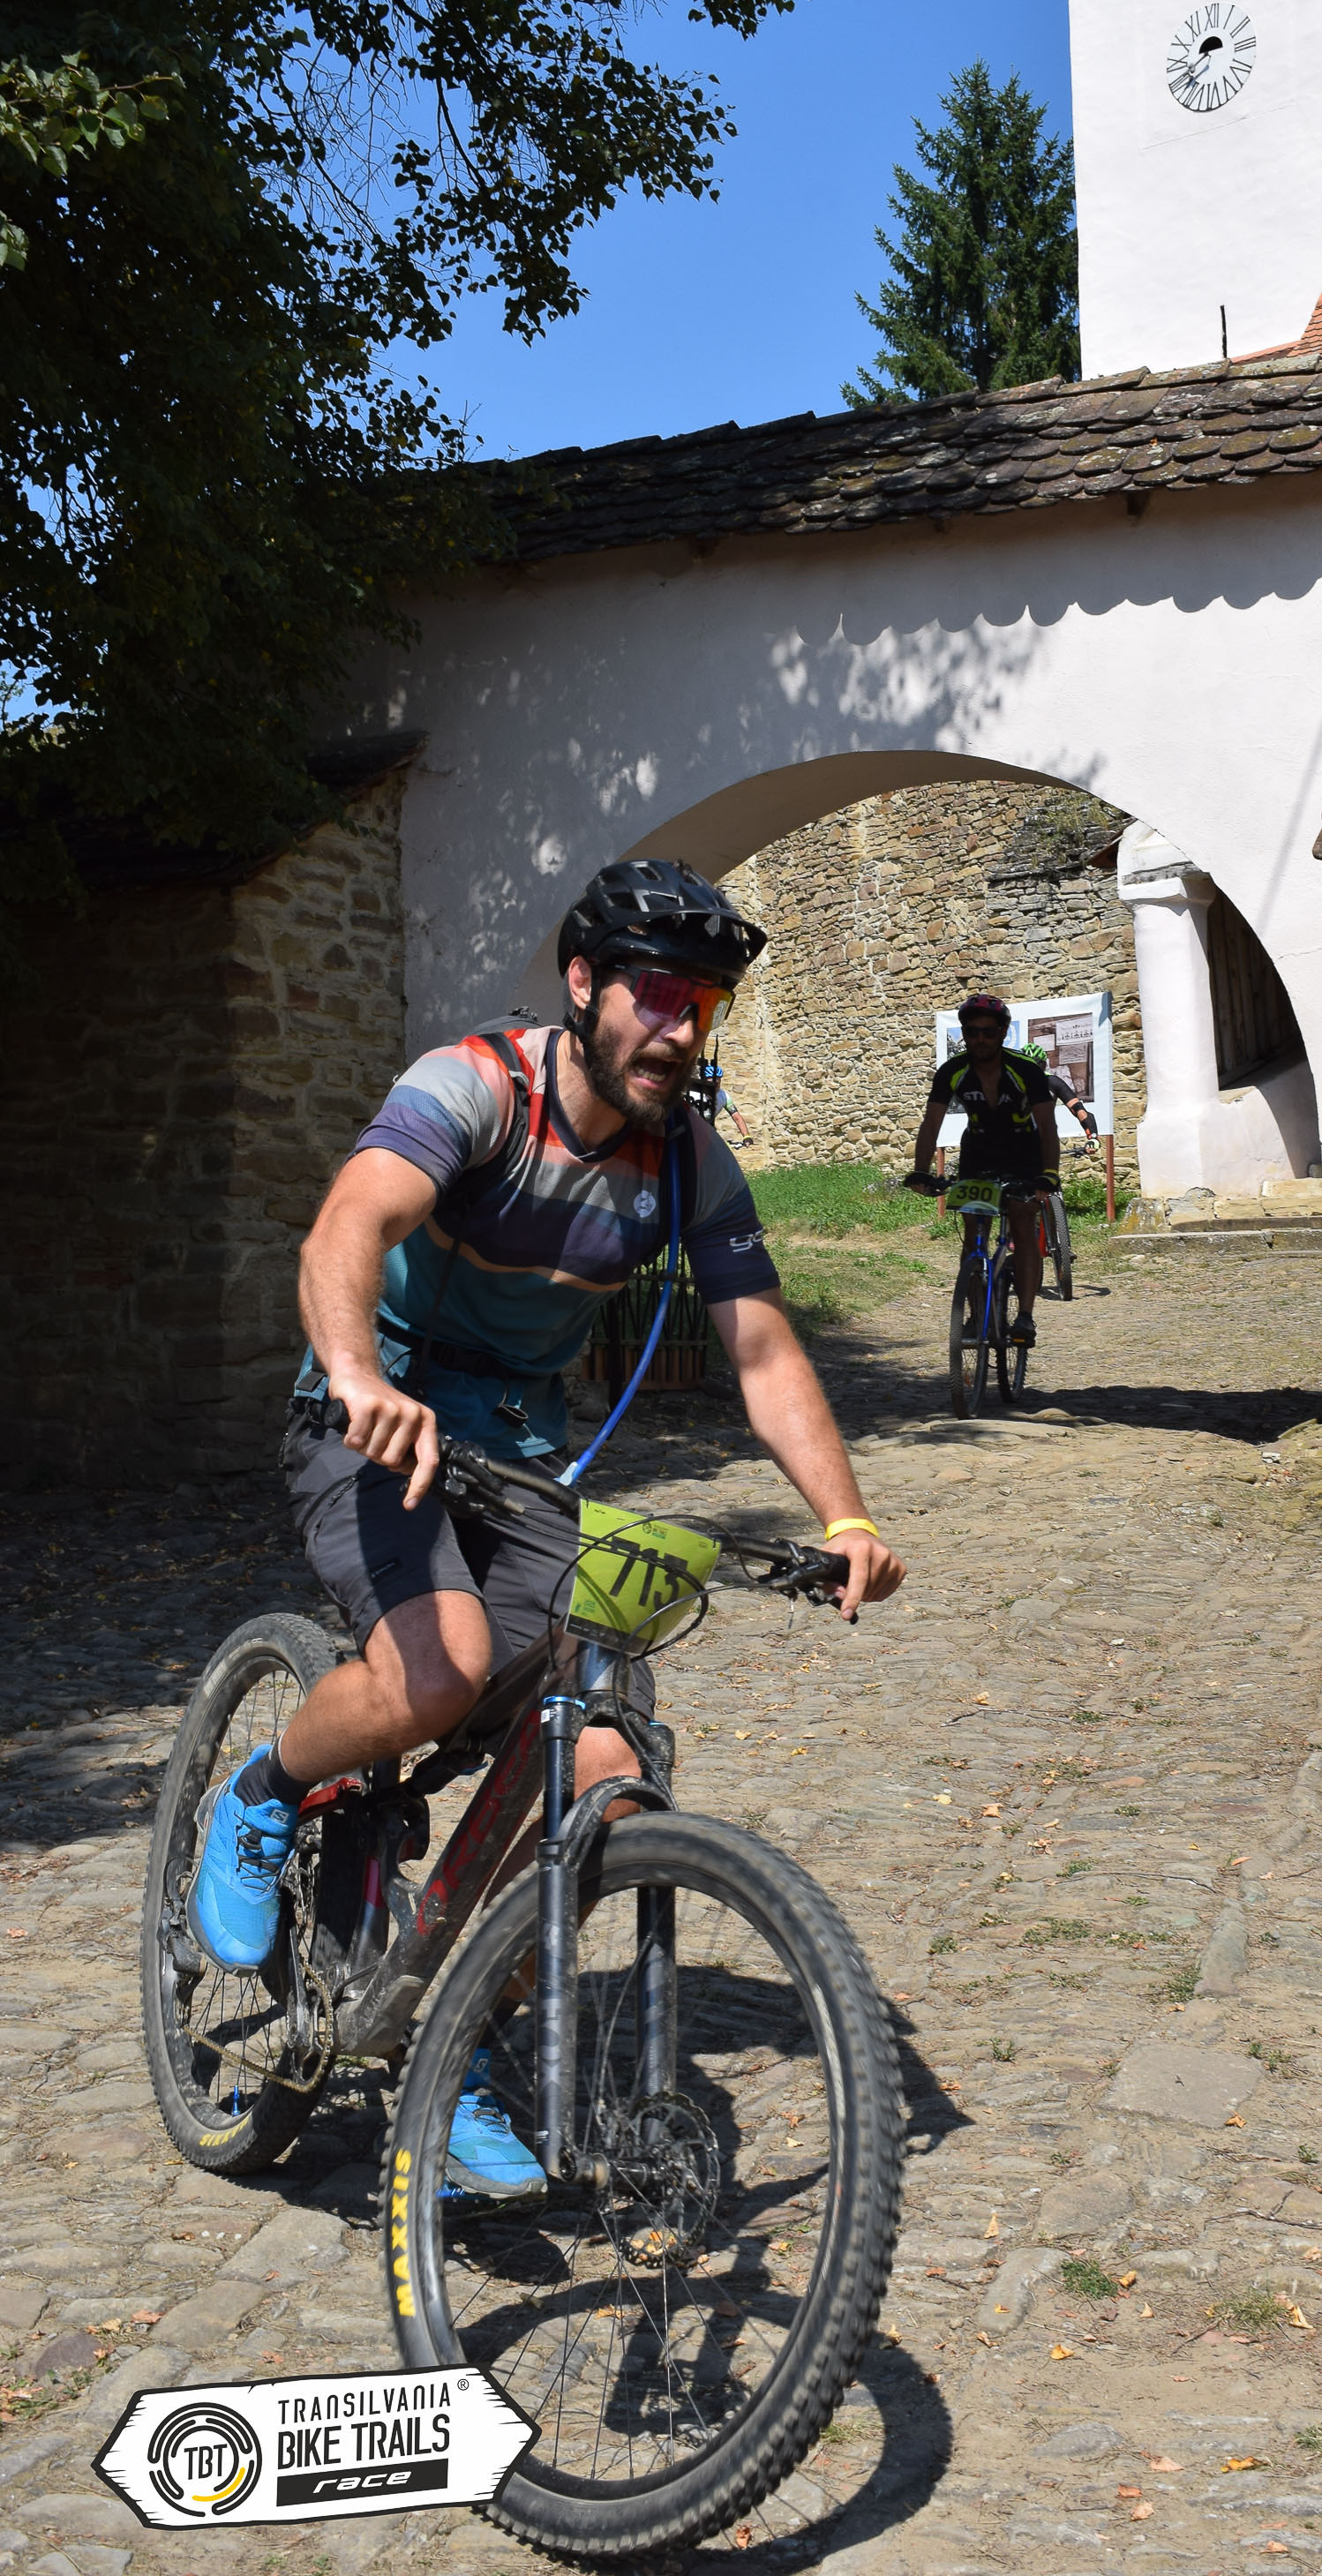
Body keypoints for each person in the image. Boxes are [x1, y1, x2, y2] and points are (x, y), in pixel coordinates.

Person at [188, 857, 905, 2194]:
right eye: (656, 995)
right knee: (440, 1669)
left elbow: (759, 1348)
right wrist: (357, 1375)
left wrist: (845, 1513)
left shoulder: (687, 1162)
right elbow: (346, 1228)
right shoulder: (475, 1089)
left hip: (517, 1456)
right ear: (584, 984)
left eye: (702, 1004)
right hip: (373, 1419)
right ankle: (262, 1795)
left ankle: (455, 2033)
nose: (679, 1028)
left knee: (602, 1765)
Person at [911, 993, 1060, 1345]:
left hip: (1023, 1151)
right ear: (964, 1033)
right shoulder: (952, 1072)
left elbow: (1047, 1125)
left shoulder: (1025, 1070)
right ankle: (977, 1314)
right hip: (978, 1152)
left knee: (1022, 1219)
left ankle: (1024, 1317)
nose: (980, 1039)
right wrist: (920, 1170)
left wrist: (1049, 1173)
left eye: (988, 1032)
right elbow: (931, 1124)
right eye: (972, 1032)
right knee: (973, 1231)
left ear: (1003, 1033)